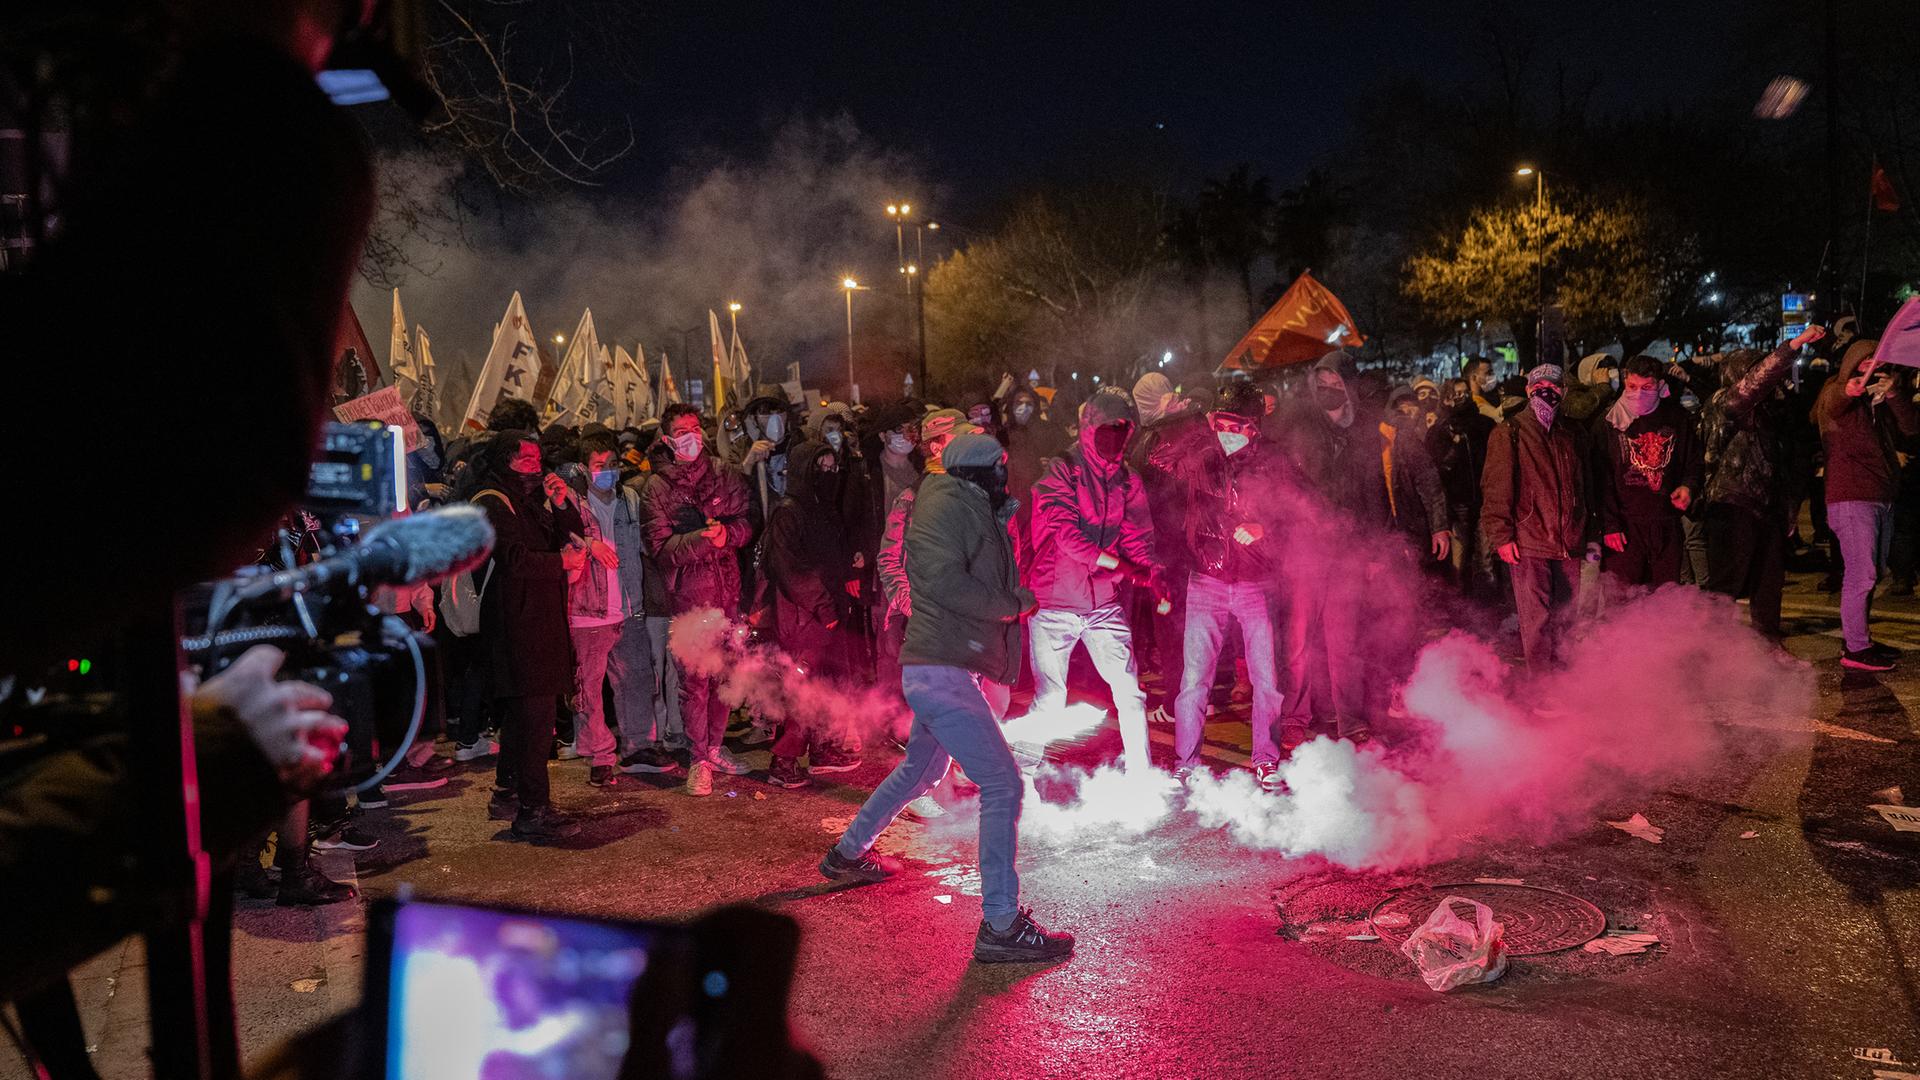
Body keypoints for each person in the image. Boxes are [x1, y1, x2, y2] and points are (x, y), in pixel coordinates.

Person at [821, 434, 1075, 964]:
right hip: (942, 671)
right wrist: (1013, 604)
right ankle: (1001, 923)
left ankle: (846, 853)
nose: (1007, 474)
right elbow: (944, 583)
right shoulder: (947, 505)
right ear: (981, 470)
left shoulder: (968, 504)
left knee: (921, 772)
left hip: (945, 667)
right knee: (1003, 782)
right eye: (1001, 466)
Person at [1149, 383, 1288, 787]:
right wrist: (1185, 420)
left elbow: (1306, 515)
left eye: (1239, 426)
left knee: (1266, 680)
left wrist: (1265, 526)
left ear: (1256, 427)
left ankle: (1266, 760)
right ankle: (1185, 764)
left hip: (1256, 584)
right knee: (1194, 681)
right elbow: (1153, 457)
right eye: (1223, 423)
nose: (1230, 433)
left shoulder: (1273, 463)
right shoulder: (1199, 455)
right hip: (1205, 580)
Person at [1025, 388, 1158, 774]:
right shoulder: (1061, 470)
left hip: (1102, 602)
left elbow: (1135, 531)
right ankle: (1019, 776)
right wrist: (1122, 565)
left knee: (1131, 692)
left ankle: (1141, 775)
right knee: (1051, 697)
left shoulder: (1126, 477)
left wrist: (1151, 568)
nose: (1115, 436)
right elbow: (1066, 536)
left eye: (1123, 428)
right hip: (1054, 602)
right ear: (1088, 425)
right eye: (1107, 427)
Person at [470, 432, 587, 840]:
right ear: (506, 461)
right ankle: (533, 810)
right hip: (516, 626)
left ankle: (510, 794)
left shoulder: (530, 498)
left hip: (539, 620)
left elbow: (566, 538)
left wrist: (561, 505)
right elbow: (513, 559)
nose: (536, 466)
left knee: (526, 719)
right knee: (535, 721)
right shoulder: (491, 501)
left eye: (539, 458)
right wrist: (561, 562)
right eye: (526, 460)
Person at [641, 403, 754, 796]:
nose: (690, 436)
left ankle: (716, 747)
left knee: (725, 677)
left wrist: (730, 535)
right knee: (694, 683)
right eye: (681, 431)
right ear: (668, 439)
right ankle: (698, 759)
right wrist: (702, 540)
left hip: (728, 593)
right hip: (688, 598)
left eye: (694, 428)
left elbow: (745, 523)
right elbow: (660, 547)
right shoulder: (656, 488)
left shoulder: (724, 474)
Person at [1701, 325, 1827, 641]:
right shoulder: (1723, 402)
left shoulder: (1773, 410)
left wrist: (1788, 508)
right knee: (1727, 580)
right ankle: (1712, 643)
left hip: (1767, 503)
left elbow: (1788, 458)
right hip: (1732, 502)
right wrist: (1793, 345)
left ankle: (1767, 640)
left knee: (1769, 578)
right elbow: (1752, 387)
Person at [565, 429, 675, 781]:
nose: (608, 471)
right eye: (600, 465)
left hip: (629, 607)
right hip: (587, 610)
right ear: (584, 468)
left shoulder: (629, 498)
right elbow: (557, 537)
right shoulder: (572, 504)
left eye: (612, 463)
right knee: (590, 688)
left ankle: (638, 746)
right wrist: (587, 542)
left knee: (637, 680)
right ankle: (599, 755)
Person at [763, 439, 864, 787]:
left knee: (826, 686)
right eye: (819, 467)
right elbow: (789, 568)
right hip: (803, 616)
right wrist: (823, 606)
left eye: (831, 467)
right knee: (799, 691)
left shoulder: (822, 507)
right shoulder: (789, 510)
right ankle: (784, 760)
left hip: (828, 611)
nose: (827, 473)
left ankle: (823, 750)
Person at [1816, 338, 1917, 670]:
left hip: (1881, 495)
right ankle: (1856, 650)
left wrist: (1893, 393)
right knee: (1863, 574)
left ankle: (1860, 637)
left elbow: (1912, 427)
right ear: (1851, 363)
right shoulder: (1837, 391)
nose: (1872, 365)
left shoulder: (1880, 400)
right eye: (1865, 360)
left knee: (1874, 572)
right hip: (1851, 497)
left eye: (1877, 360)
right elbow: (1833, 402)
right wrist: (1851, 388)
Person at [1479, 364, 1587, 672]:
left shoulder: (1571, 434)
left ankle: (1563, 681)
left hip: (1568, 540)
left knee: (1565, 618)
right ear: (1528, 391)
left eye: (1554, 387)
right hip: (1529, 540)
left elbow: (1585, 484)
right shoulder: (1510, 432)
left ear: (1563, 392)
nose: (1547, 392)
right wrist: (1501, 536)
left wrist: (1587, 531)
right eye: (1540, 386)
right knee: (1537, 620)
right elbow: (1496, 487)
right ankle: (1541, 689)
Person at [1591, 356, 1702, 591]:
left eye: (1647, 387)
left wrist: (1688, 487)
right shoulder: (1609, 422)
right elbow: (1601, 478)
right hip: (1624, 527)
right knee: (1621, 600)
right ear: (1624, 382)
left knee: (1664, 598)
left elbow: (1692, 462)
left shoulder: (1676, 418)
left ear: (1659, 386)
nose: (1639, 394)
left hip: (1665, 524)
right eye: (1632, 387)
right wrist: (1610, 525)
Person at [1430, 377, 1497, 594]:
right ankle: (1459, 599)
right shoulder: (1440, 430)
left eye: (1464, 392)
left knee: (1485, 555)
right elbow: (1438, 468)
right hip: (1458, 501)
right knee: (1460, 554)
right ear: (1446, 399)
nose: (1462, 397)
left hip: (1482, 497)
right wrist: (1455, 445)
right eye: (1456, 394)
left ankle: (1485, 599)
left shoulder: (1483, 424)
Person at [1462, 355, 1504, 421]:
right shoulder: (1476, 405)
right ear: (1474, 378)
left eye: (1492, 372)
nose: (1493, 376)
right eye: (1488, 373)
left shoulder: (1487, 398)